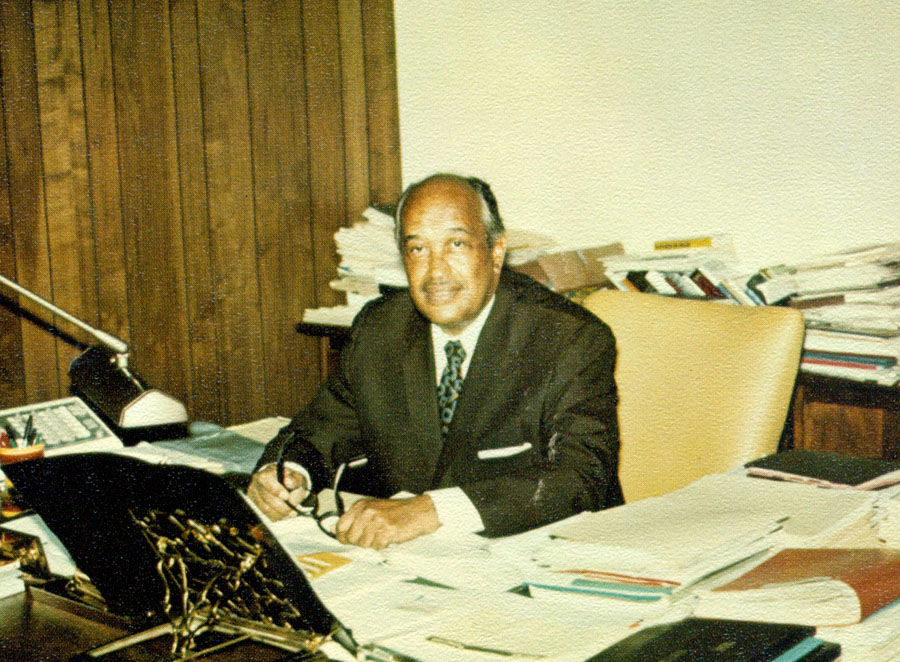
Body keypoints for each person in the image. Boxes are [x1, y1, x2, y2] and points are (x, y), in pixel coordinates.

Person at [248, 174, 623, 548]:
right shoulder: (380, 329)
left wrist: (430, 511)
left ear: (495, 252)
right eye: (417, 250)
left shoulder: (569, 338)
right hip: (416, 567)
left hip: (547, 558)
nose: (436, 272)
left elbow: (581, 476)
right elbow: (317, 432)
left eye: (456, 244)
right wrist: (285, 475)